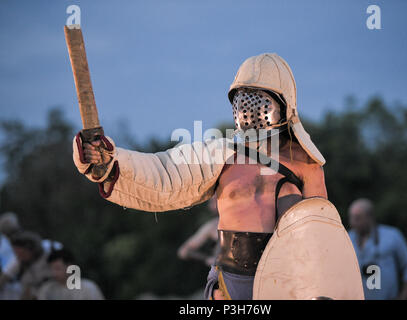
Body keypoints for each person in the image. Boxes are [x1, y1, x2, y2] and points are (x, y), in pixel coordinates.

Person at [73, 53, 362, 300]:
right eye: (243, 99)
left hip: (288, 282)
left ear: (284, 102)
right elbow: (165, 172)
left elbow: (320, 234)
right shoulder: (220, 154)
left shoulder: (307, 164)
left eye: (258, 99)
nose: (248, 109)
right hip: (230, 282)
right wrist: (110, 160)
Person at [348, 198, 407, 300]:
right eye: (352, 217)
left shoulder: (392, 235)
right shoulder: (347, 238)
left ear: (370, 217)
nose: (353, 222)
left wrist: (404, 296)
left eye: (358, 218)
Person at [37, 248, 104, 300]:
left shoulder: (88, 288)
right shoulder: (47, 289)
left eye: (57, 268)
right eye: (51, 269)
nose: (53, 273)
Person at [8, 231, 52, 299]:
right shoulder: (22, 267)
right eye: (16, 254)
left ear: (31, 249)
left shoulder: (49, 256)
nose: (19, 257)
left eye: (22, 253)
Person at [178, 196, 219, 267]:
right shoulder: (213, 226)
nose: (211, 205)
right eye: (212, 202)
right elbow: (183, 251)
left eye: (215, 201)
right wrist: (207, 258)